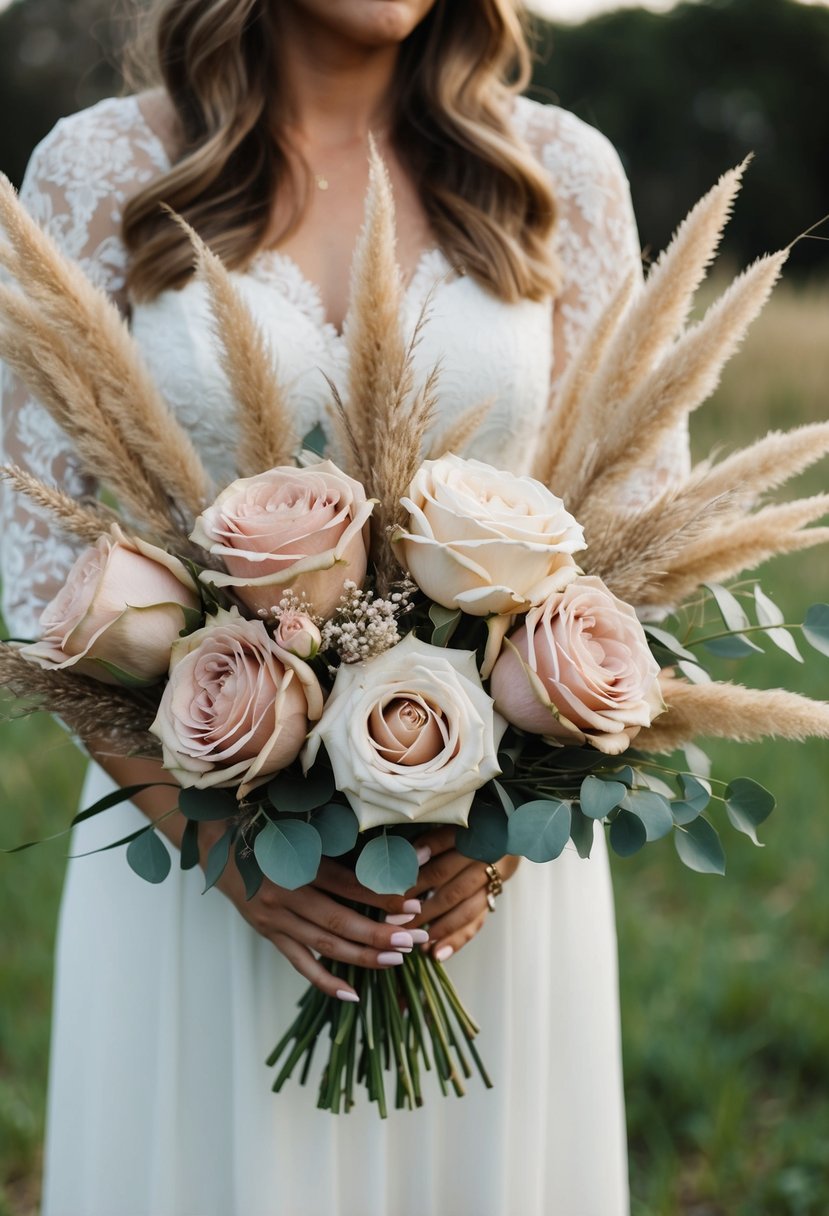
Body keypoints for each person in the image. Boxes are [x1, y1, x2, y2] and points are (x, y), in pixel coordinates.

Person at [0, 1, 688, 1213]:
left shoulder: (558, 172)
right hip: (196, 850)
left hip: (471, 882)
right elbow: (29, 553)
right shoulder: (100, 166)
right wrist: (219, 839)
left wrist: (504, 828)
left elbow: (646, 535)